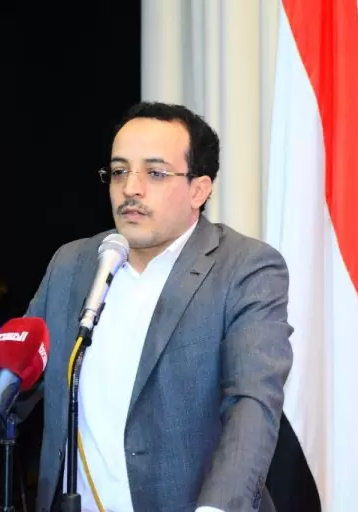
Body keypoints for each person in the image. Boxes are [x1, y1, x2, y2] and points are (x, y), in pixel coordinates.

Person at [24, 102, 293, 511]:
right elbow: (9, 380)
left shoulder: (244, 268)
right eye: (119, 171)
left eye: (155, 173)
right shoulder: (72, 264)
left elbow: (251, 404)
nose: (131, 188)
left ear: (199, 190)